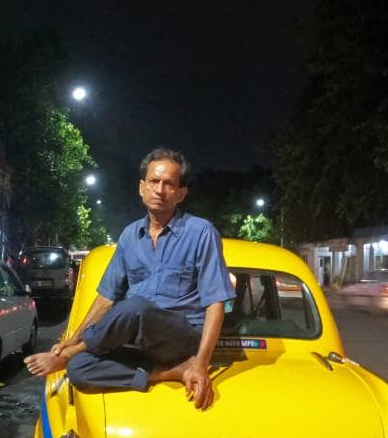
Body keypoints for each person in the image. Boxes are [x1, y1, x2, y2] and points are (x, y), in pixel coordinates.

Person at [24, 148, 235, 409]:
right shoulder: (128, 236)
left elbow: (216, 302)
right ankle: (169, 373)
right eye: (153, 182)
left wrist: (201, 363)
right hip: (139, 344)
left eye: (169, 184)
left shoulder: (201, 232)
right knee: (79, 370)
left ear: (181, 193)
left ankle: (67, 356)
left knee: (137, 306)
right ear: (141, 187)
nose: (159, 189)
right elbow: (105, 298)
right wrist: (74, 336)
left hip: (181, 336)